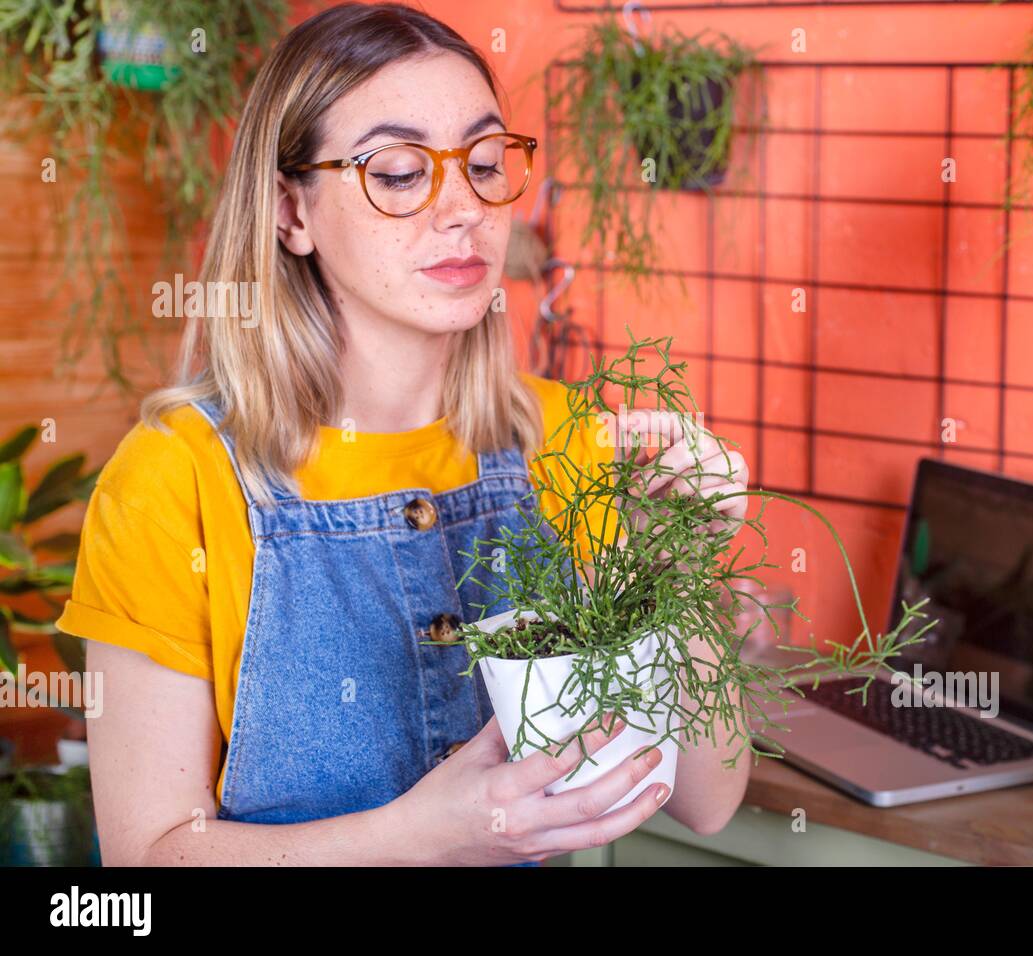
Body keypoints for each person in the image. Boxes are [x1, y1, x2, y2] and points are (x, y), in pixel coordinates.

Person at [57, 2, 751, 866]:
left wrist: (672, 564)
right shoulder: (173, 480)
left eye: (486, 162)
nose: (463, 208)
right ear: (291, 213)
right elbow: (148, 859)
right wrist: (424, 836)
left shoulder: (566, 440)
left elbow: (708, 798)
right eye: (396, 172)